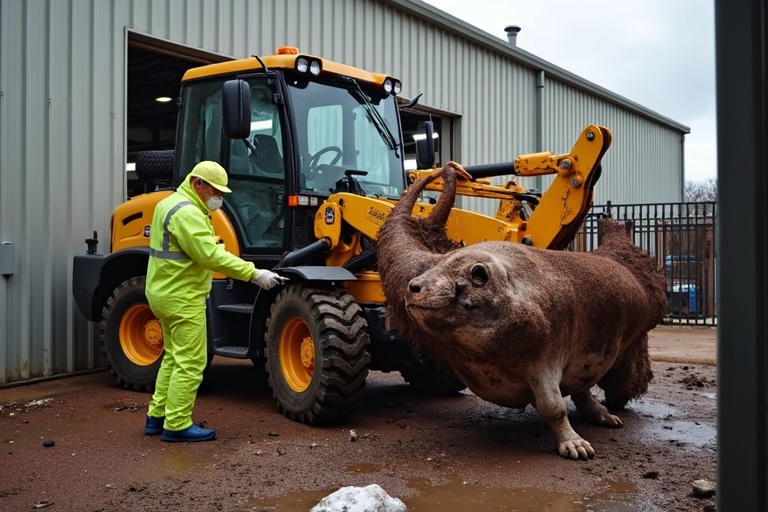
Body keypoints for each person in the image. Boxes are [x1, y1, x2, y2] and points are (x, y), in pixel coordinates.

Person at [143, 160, 286, 442]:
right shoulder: (188, 214)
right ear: (198, 183)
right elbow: (211, 256)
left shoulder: (170, 203)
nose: (218, 197)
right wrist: (254, 274)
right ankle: (177, 425)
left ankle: (156, 417)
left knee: (173, 357)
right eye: (214, 190)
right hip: (182, 296)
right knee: (191, 362)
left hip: (163, 292)